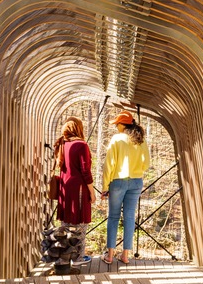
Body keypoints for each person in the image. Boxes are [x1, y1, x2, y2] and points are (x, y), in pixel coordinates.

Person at [101, 110, 150, 264]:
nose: (116, 127)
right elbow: (147, 163)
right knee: (129, 217)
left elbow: (109, 164)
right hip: (136, 181)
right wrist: (137, 171)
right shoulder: (140, 139)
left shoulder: (117, 139)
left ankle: (109, 256)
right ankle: (125, 256)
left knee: (114, 217)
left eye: (117, 124)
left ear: (122, 124)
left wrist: (105, 186)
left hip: (118, 181)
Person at [53, 117, 96, 264]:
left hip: (65, 188)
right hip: (79, 188)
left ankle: (63, 256)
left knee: (66, 222)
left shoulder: (63, 144)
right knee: (81, 223)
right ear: (79, 128)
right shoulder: (81, 145)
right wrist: (92, 191)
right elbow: (85, 171)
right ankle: (78, 257)